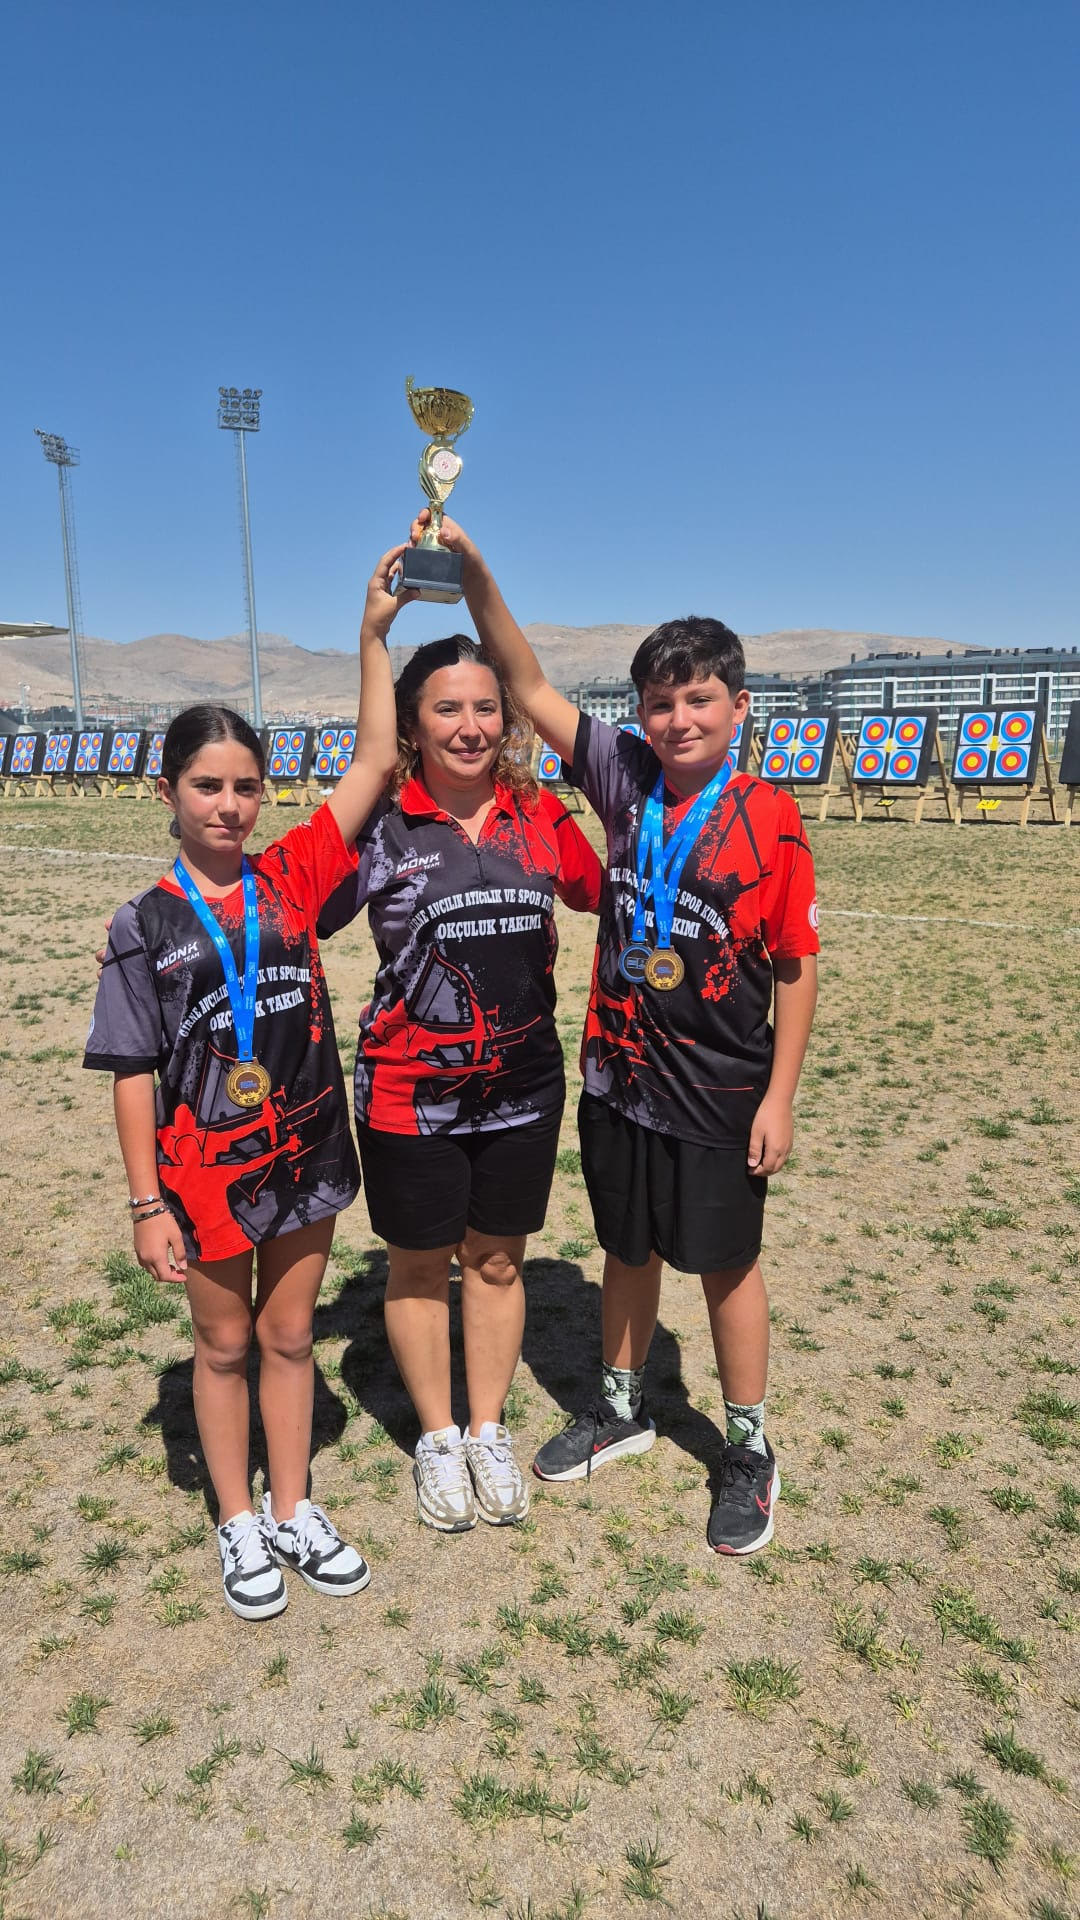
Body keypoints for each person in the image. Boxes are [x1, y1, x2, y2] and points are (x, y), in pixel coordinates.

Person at [421, 511, 819, 1556]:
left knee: (726, 1266)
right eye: (660, 702)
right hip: (619, 1077)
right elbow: (525, 678)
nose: (679, 719)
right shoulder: (622, 776)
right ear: (639, 712)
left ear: (739, 706)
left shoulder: (772, 817)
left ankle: (748, 1447)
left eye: (699, 699)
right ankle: (621, 1405)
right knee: (625, 1249)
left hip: (721, 1088)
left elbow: (795, 964)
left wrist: (778, 1097)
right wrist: (473, 572)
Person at [83, 546, 407, 1619]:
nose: (229, 806)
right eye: (207, 786)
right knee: (222, 1344)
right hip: (206, 1169)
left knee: (289, 1335)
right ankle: (236, 1518)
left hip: (305, 1148)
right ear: (167, 791)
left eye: (246, 787)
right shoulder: (143, 923)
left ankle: (294, 1506)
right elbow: (131, 1071)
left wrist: (372, 634)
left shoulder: (295, 875)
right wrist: (146, 1204)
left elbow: (374, 758)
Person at [317, 627, 602, 1535]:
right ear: (412, 724)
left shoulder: (538, 813)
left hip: (524, 1088)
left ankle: (487, 1429)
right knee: (416, 1266)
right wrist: (156, 945)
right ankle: (438, 1438)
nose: (470, 726)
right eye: (448, 709)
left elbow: (607, 890)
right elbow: (292, 908)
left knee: (497, 1260)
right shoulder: (382, 822)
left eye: (486, 707)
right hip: (411, 1090)